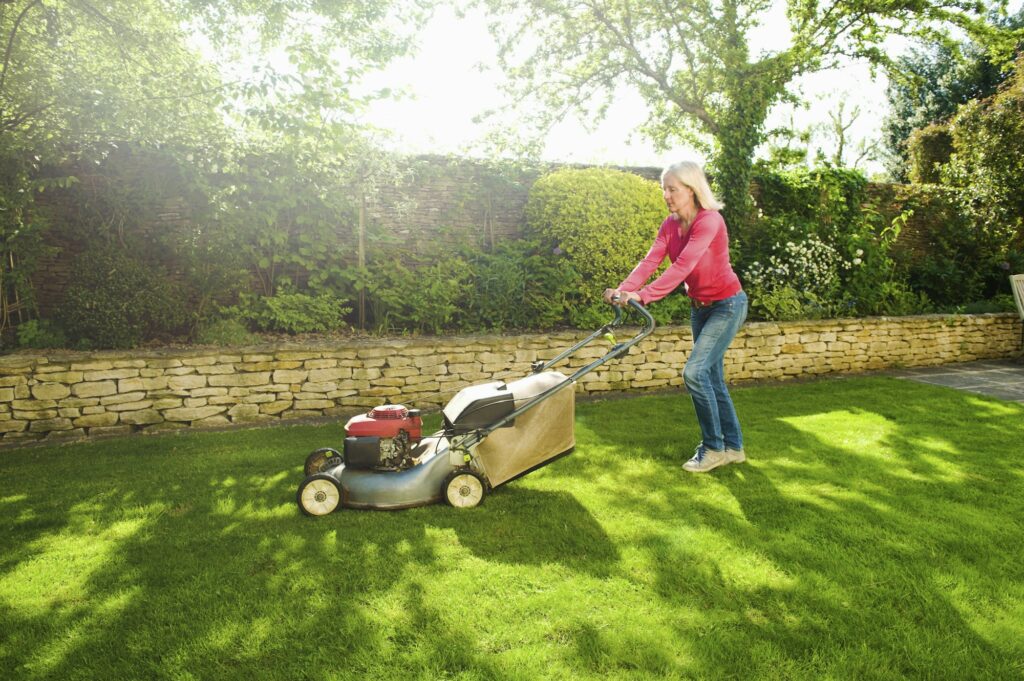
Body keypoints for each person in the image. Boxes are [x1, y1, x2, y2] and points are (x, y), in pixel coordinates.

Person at [603, 161, 748, 473]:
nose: (666, 195)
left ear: (692, 190)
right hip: (700, 307)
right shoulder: (670, 225)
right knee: (712, 378)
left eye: (672, 189)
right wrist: (624, 289)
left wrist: (644, 295)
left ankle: (712, 448)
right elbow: (651, 260)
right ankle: (733, 447)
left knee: (695, 373)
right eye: (664, 189)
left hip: (727, 304)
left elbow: (682, 265)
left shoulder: (710, 221)